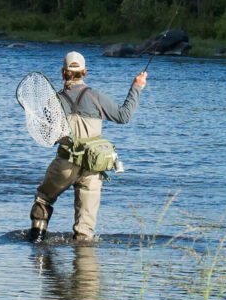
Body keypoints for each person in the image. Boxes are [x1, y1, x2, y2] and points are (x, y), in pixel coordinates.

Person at [29, 50, 145, 241]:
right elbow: (124, 116)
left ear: (63, 72)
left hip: (65, 164)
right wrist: (137, 86)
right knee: (85, 232)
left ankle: (38, 247)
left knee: (43, 198)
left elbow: (47, 135)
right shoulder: (96, 97)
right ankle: (84, 263)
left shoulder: (53, 101)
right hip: (94, 167)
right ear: (85, 72)